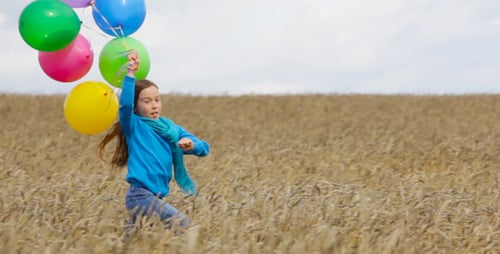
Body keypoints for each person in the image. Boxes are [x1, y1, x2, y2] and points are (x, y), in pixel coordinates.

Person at [98, 50, 210, 233]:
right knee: (181, 223)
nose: (154, 105)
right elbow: (124, 106)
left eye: (157, 100)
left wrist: (191, 144)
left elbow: (204, 148)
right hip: (140, 195)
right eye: (147, 101)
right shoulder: (134, 125)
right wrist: (131, 73)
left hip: (156, 196)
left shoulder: (171, 129)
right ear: (136, 106)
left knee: (134, 242)